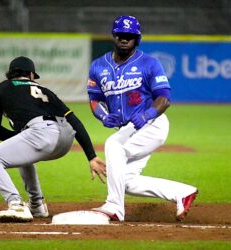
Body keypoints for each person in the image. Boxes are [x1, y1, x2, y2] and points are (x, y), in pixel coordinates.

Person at [87, 15, 198, 222]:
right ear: (114, 36)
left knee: (113, 146)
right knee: (124, 180)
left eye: (129, 35)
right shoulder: (98, 66)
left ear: (137, 38)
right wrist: (103, 116)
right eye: (121, 34)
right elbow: (94, 99)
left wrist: (147, 114)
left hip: (152, 124)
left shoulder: (149, 63)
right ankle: (182, 193)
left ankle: (114, 206)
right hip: (127, 129)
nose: (124, 39)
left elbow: (164, 99)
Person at [0, 56, 106, 222]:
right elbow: (73, 120)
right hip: (66, 137)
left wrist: (22, 137)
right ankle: (36, 204)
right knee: (23, 155)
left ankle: (16, 204)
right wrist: (91, 156)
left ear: (10, 74)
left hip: (41, 133)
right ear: (31, 75)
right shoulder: (45, 91)